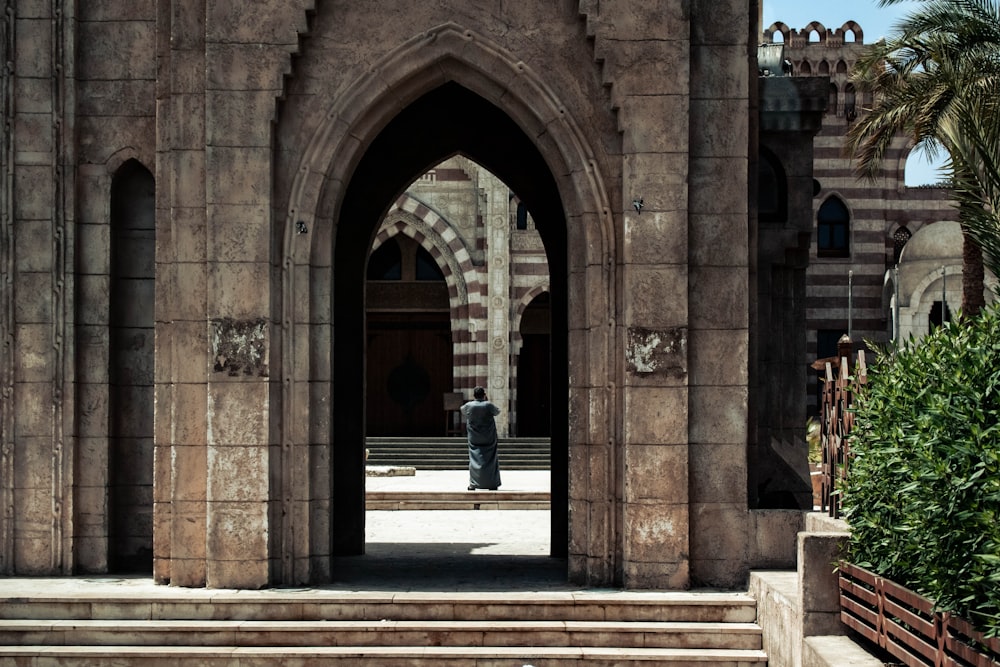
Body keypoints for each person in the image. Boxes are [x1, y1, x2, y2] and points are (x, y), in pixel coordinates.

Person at [460, 386, 501, 491]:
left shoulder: (469, 405)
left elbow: (462, 410)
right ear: (484, 394)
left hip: (474, 438)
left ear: (474, 395)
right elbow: (497, 411)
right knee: (491, 459)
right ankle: (492, 483)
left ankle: (473, 484)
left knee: (474, 459)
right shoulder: (488, 405)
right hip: (488, 437)